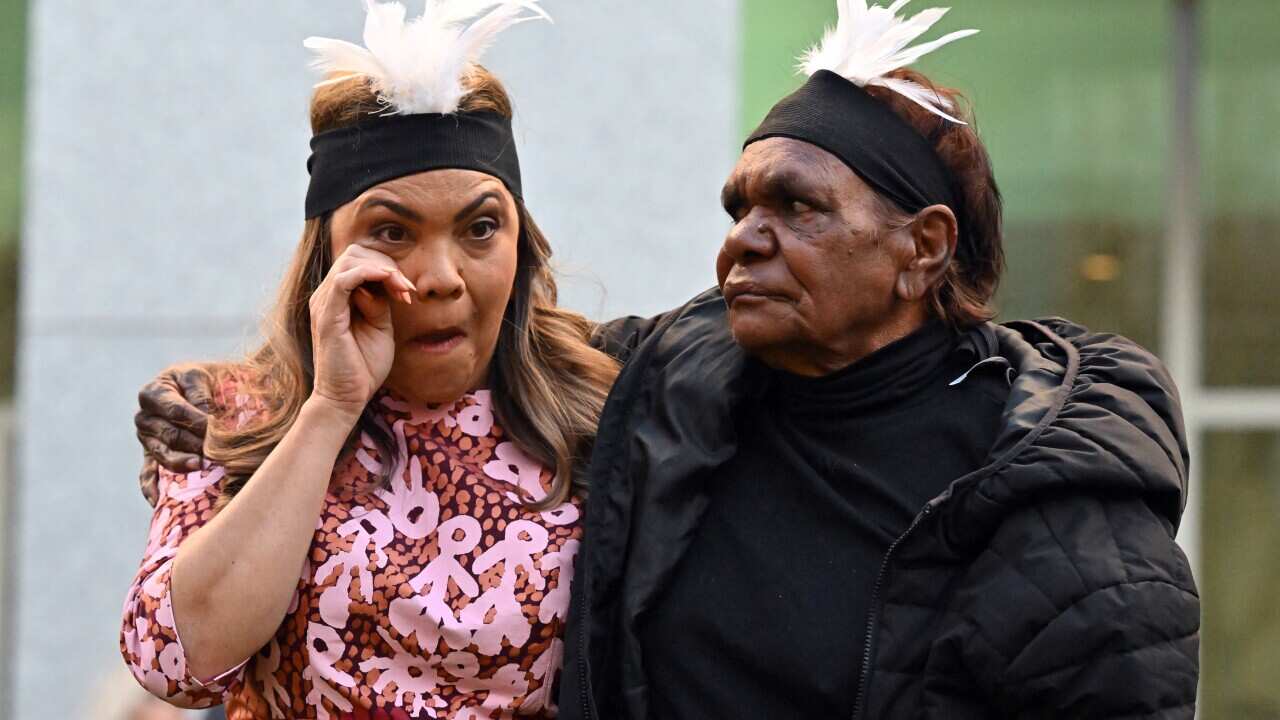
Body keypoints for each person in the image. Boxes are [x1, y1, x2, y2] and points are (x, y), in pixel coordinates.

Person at [135, 2, 1200, 718]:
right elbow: (181, 659)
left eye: (477, 228)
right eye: (738, 205)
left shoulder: (1048, 489)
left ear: (922, 248)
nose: (743, 236)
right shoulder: (663, 390)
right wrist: (289, 406)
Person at [121, 2, 623, 718]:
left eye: (480, 227)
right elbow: (175, 660)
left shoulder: (603, 402)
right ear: (328, 253)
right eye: (391, 231)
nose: (441, 275)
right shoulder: (229, 411)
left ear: (521, 241)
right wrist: (331, 409)